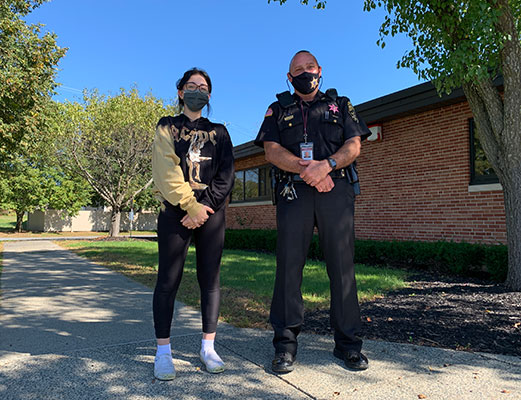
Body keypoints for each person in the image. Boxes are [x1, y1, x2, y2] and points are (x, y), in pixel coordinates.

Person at [254, 50, 371, 374]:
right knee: (289, 268)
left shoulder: (341, 104)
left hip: (336, 190)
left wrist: (327, 165)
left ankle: (348, 345)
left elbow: (354, 145)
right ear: (289, 78)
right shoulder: (278, 108)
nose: (306, 73)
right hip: (295, 193)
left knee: (342, 268)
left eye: (310, 67)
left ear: (320, 70)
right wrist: (306, 170)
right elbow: (271, 150)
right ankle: (285, 346)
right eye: (298, 70)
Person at [151, 68, 234, 380]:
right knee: (167, 280)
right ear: (180, 92)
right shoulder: (166, 127)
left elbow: (226, 174)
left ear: (209, 95)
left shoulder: (220, 132)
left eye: (203, 86)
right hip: (176, 211)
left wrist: (205, 207)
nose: (197, 90)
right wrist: (190, 205)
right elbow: (165, 169)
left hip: (210, 213)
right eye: (191, 85)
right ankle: (163, 352)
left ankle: (208, 347)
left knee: (210, 279)